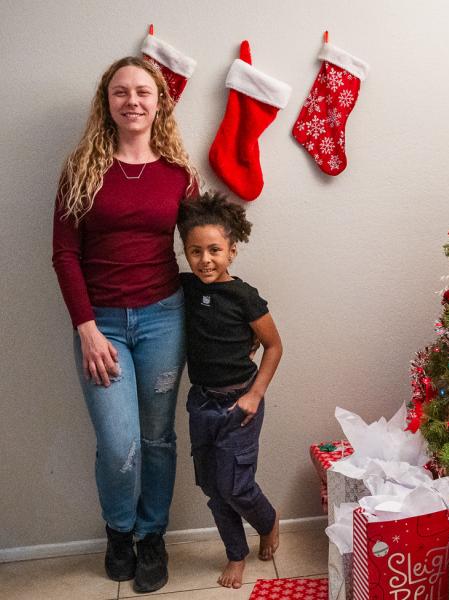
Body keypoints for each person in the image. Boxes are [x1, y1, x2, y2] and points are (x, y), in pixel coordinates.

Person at [52, 57, 199, 593]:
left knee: (157, 439)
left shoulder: (180, 175)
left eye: (142, 91)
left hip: (165, 319)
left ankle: (151, 537)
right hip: (103, 325)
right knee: (121, 445)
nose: (132, 100)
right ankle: (119, 532)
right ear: (106, 102)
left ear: (159, 101)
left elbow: (205, 249)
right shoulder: (81, 170)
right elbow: (64, 255)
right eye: (120, 92)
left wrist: (230, 317)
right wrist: (86, 327)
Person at [177, 192, 282, 589]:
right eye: (195, 251)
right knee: (212, 487)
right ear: (185, 253)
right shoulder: (185, 288)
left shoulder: (245, 296)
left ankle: (269, 521)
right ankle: (235, 554)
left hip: (239, 403)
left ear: (232, 252)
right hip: (201, 402)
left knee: (235, 484)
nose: (205, 259)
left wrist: (253, 395)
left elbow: (274, 346)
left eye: (215, 250)